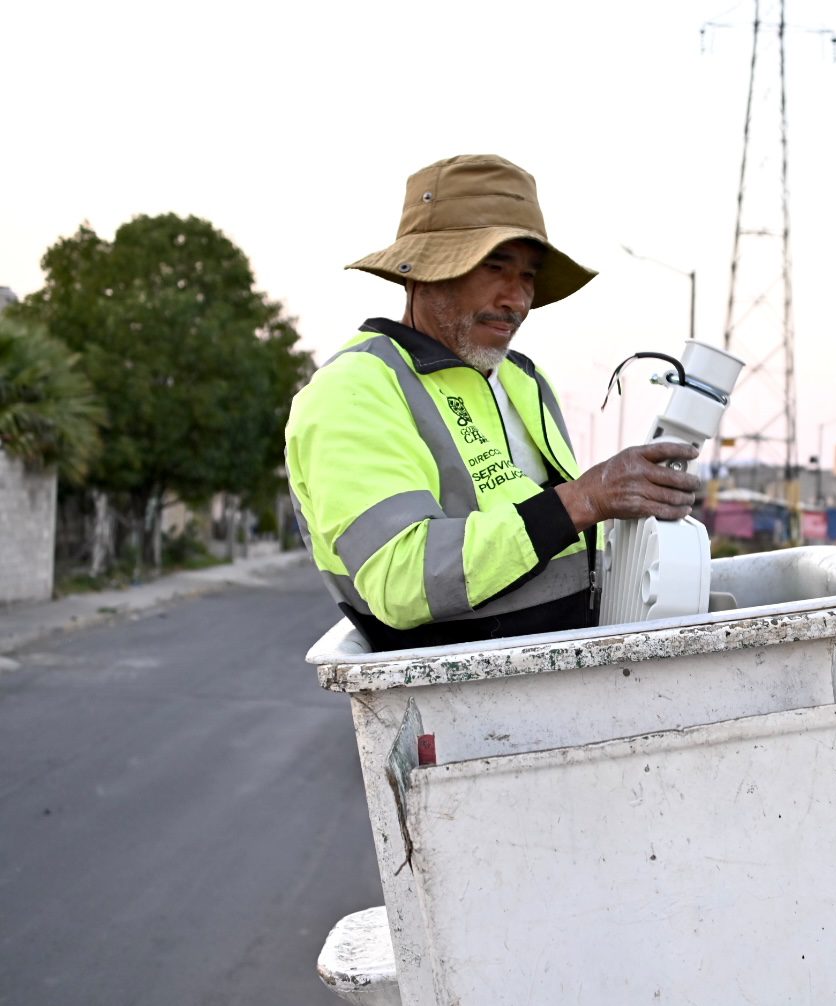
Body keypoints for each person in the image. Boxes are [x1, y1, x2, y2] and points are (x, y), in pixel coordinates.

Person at [285, 154, 700, 651]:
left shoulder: (523, 379)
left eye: (528, 275)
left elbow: (556, 538)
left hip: (560, 677)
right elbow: (402, 578)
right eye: (494, 267)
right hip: (460, 697)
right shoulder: (354, 389)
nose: (517, 299)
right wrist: (586, 499)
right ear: (425, 272)